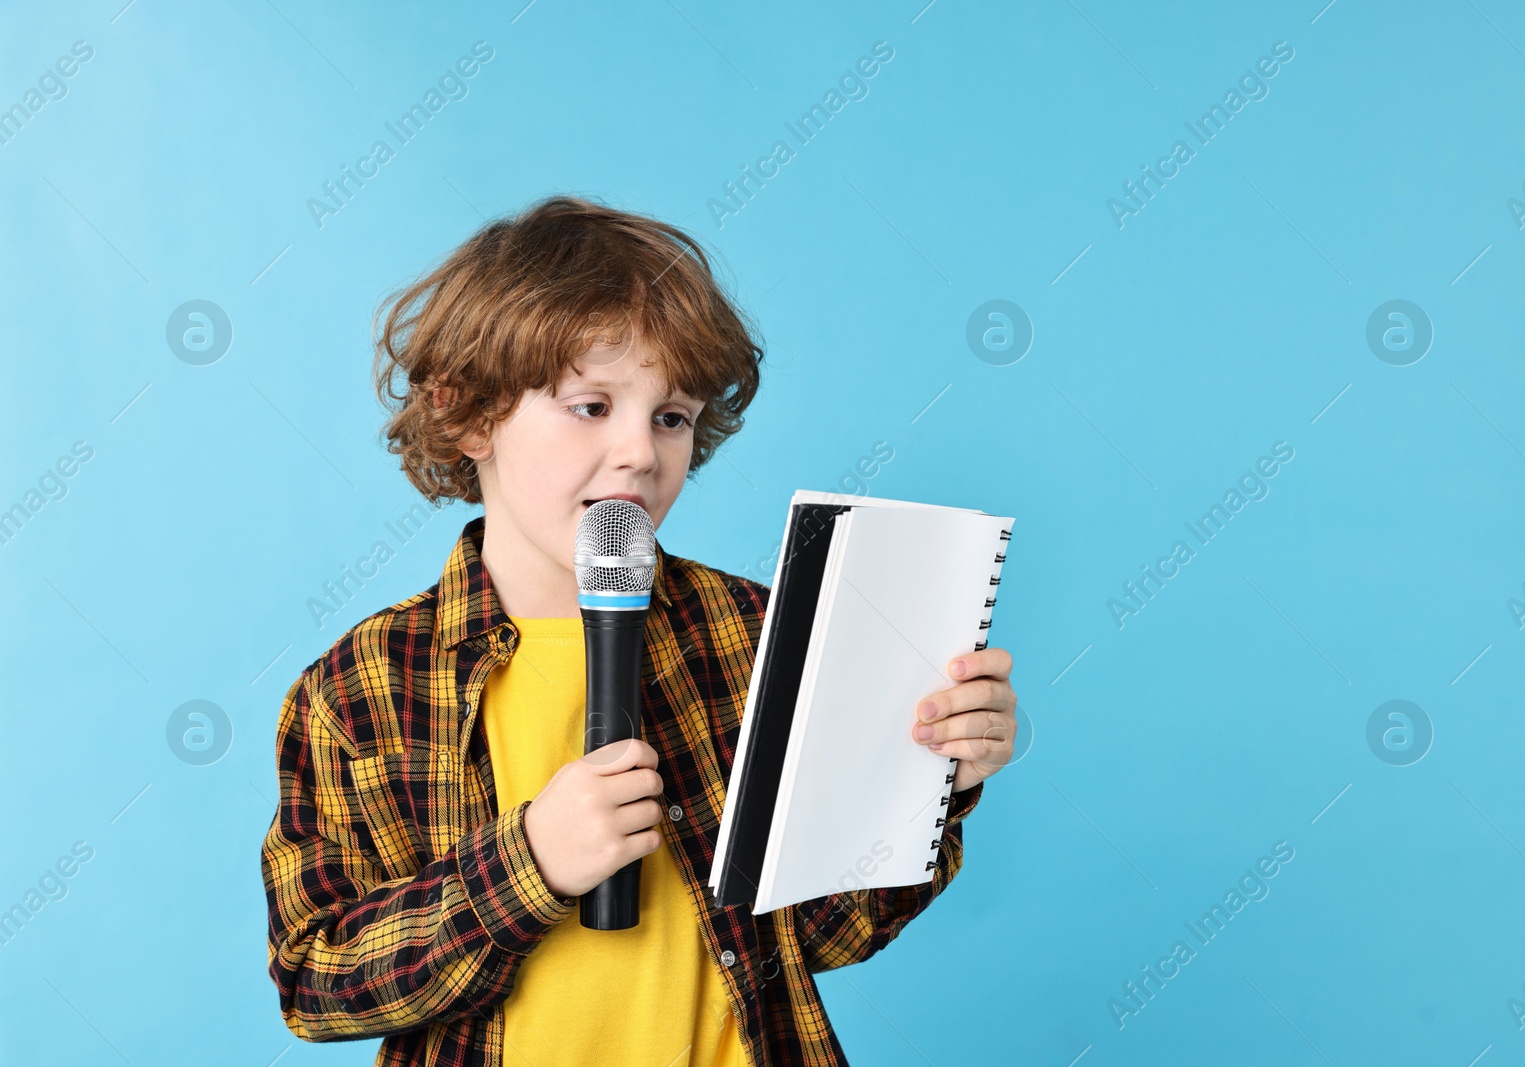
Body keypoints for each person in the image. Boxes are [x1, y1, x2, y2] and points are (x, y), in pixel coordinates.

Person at [259, 194, 1020, 1067]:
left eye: (672, 417)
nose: (640, 453)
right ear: (469, 414)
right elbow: (315, 981)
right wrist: (528, 866)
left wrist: (932, 781)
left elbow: (827, 930)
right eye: (591, 405)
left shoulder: (756, 632)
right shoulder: (362, 686)